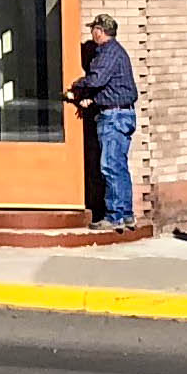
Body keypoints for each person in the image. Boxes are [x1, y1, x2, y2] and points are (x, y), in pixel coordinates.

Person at [68, 13, 137, 227]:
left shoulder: (108, 52)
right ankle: (126, 214)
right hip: (122, 113)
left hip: (114, 117)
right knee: (119, 165)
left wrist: (76, 87)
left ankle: (114, 217)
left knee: (110, 165)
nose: (92, 33)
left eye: (93, 29)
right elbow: (113, 86)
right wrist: (94, 99)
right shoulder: (117, 52)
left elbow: (97, 78)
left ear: (100, 31)